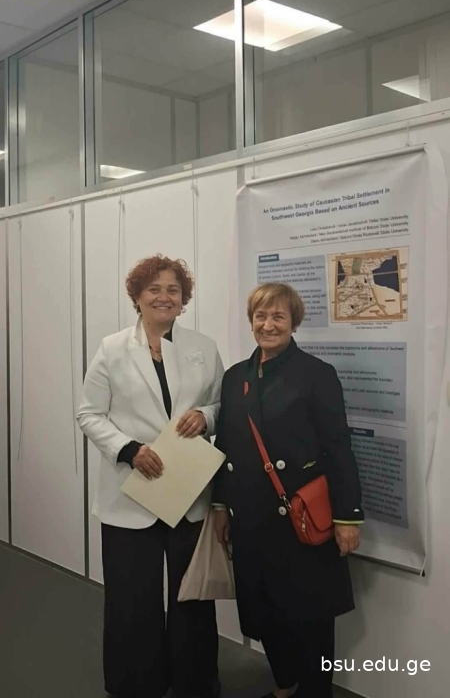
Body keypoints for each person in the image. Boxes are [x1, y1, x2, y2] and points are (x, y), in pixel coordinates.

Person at [77, 255, 224, 698]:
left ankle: (195, 681)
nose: (164, 297)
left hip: (187, 492)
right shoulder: (112, 349)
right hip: (131, 493)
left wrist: (206, 416)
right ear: (137, 297)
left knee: (191, 596)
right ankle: (134, 683)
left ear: (184, 299)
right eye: (154, 289)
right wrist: (128, 449)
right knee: (130, 597)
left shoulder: (203, 347)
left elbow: (223, 404)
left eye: (173, 289)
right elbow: (88, 413)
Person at [213, 282, 363, 698]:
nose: (268, 324)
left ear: (294, 322)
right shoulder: (235, 378)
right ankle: (284, 684)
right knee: (263, 611)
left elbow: (338, 447)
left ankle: (314, 691)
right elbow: (226, 444)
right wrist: (221, 504)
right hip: (252, 519)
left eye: (278, 316)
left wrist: (348, 516)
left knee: (311, 617)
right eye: (260, 316)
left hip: (300, 517)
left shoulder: (317, 374)